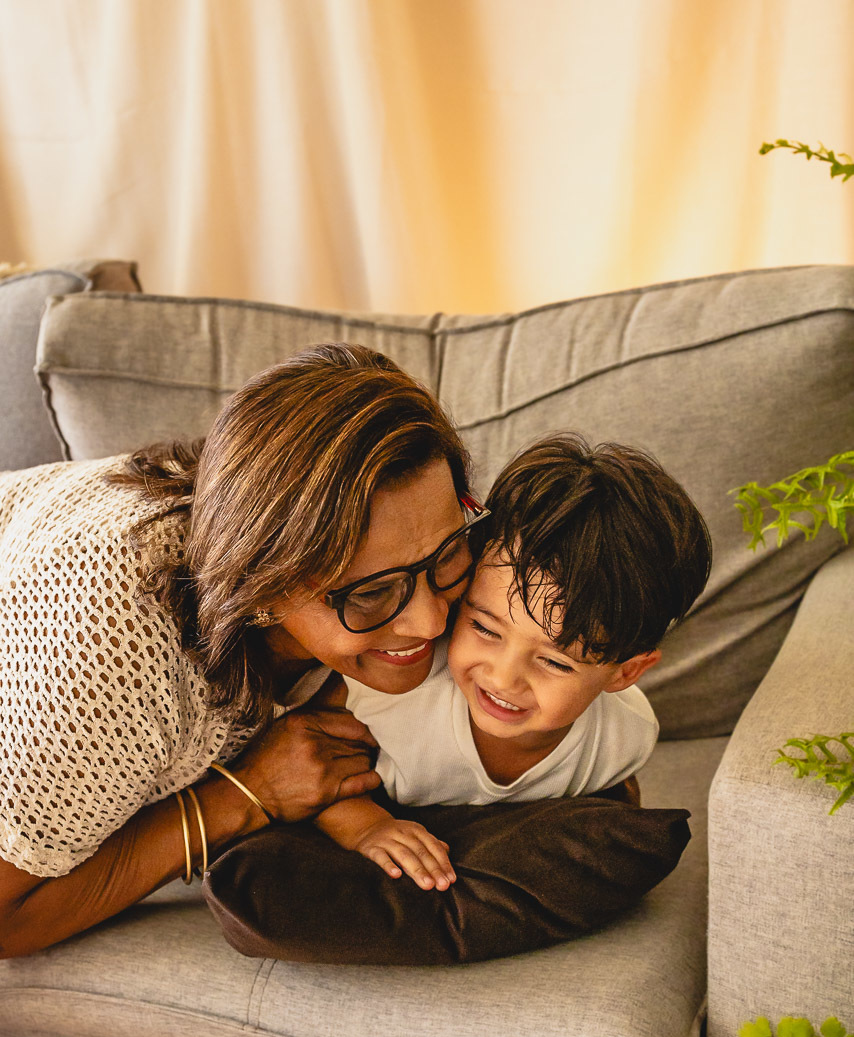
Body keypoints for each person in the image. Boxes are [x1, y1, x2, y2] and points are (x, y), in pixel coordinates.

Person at [0, 343, 472, 957]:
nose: (432, 621)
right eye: (374, 593)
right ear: (261, 589)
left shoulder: (439, 538)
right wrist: (245, 795)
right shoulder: (117, 656)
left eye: (447, 556)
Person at [311, 435, 712, 890]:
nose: (502, 677)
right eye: (484, 629)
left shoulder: (625, 739)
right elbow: (314, 775)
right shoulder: (389, 691)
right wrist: (365, 826)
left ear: (626, 672)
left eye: (556, 663)